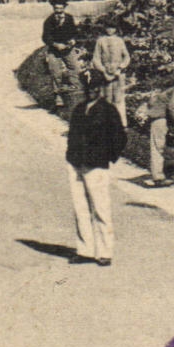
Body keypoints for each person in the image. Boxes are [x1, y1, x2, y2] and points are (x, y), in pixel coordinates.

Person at [64, 71, 126, 266]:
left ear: (101, 89)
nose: (92, 92)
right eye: (89, 88)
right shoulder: (79, 109)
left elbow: (120, 138)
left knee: (101, 208)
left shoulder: (108, 111)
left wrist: (107, 156)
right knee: (80, 207)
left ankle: (105, 252)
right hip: (76, 163)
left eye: (96, 88)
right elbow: (72, 134)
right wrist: (71, 155)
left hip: (96, 165)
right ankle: (85, 250)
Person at [41, 0, 83, 112]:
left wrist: (73, 40)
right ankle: (58, 98)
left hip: (68, 48)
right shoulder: (49, 21)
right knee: (55, 72)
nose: (58, 10)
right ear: (53, 8)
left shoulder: (69, 18)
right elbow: (45, 37)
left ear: (64, 8)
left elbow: (74, 32)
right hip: (55, 49)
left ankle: (75, 91)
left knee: (75, 67)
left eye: (61, 8)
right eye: (56, 8)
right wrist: (55, 44)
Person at [90, 19, 131, 121]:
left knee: (119, 98)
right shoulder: (100, 41)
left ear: (116, 29)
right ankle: (106, 123)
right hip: (105, 73)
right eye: (108, 27)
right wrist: (103, 71)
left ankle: (121, 123)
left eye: (112, 28)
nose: (110, 30)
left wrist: (120, 68)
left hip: (118, 73)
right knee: (106, 97)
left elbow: (126, 57)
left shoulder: (119, 41)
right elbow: (96, 58)